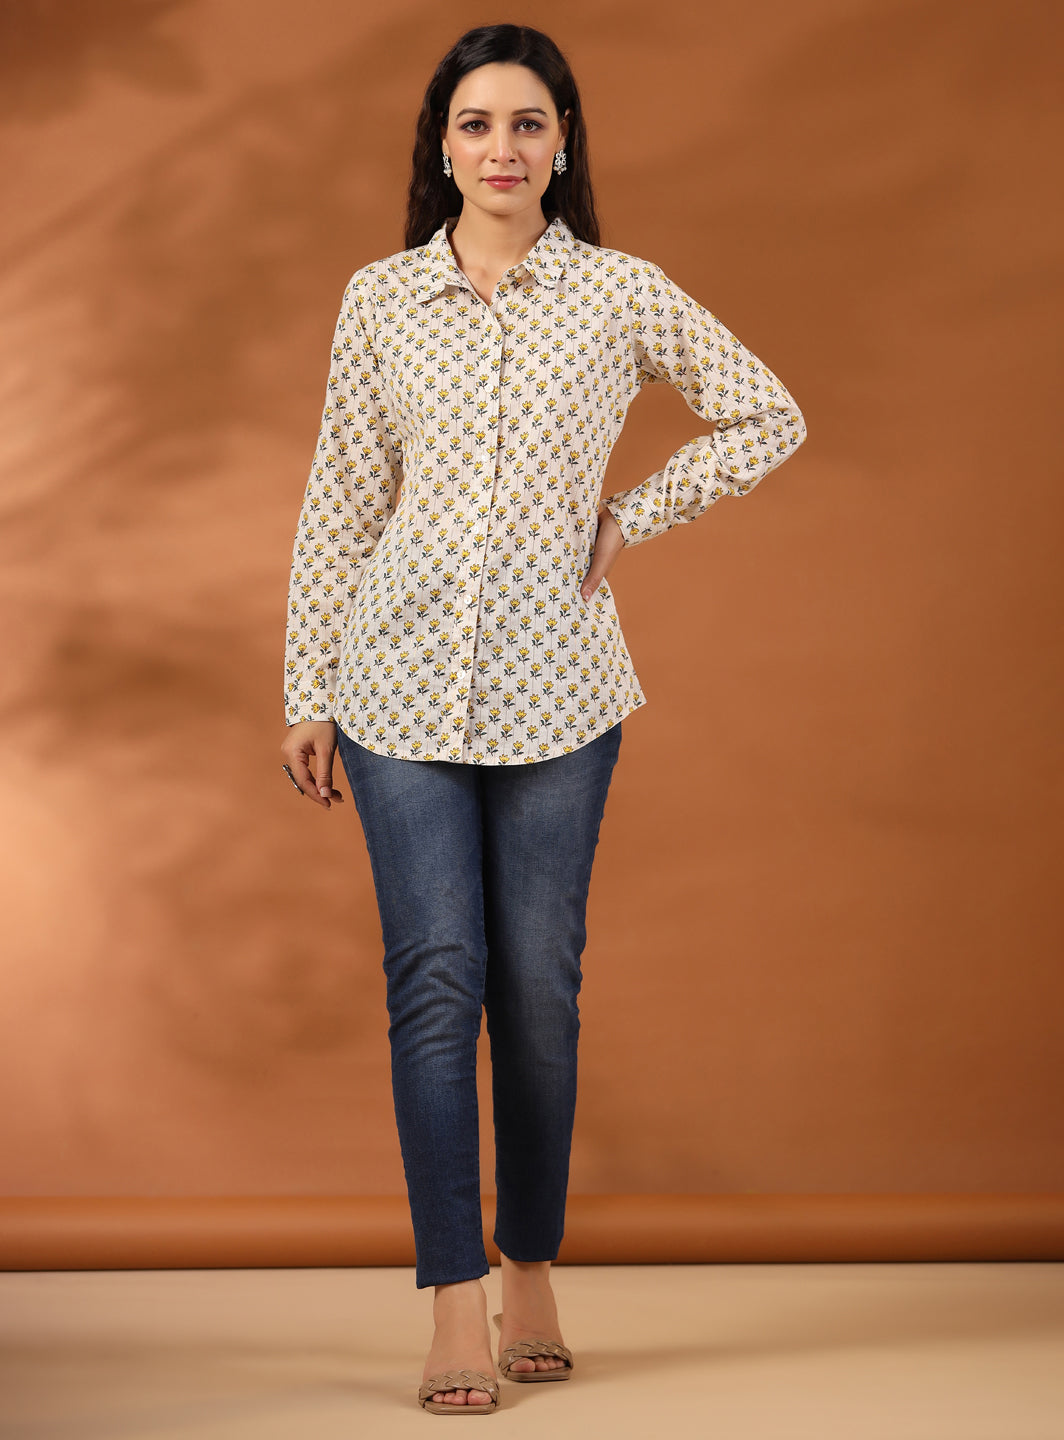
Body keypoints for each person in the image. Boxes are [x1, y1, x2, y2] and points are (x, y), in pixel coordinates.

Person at [280, 22, 807, 1417]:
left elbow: (767, 414)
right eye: (476, 124)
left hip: (563, 694)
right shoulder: (381, 299)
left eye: (527, 123)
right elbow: (341, 498)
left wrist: (631, 515)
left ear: (563, 143)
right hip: (392, 686)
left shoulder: (619, 292)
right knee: (433, 981)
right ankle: (454, 1300)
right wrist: (306, 690)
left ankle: (531, 1269)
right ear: (443, 148)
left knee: (537, 993)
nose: (501, 148)